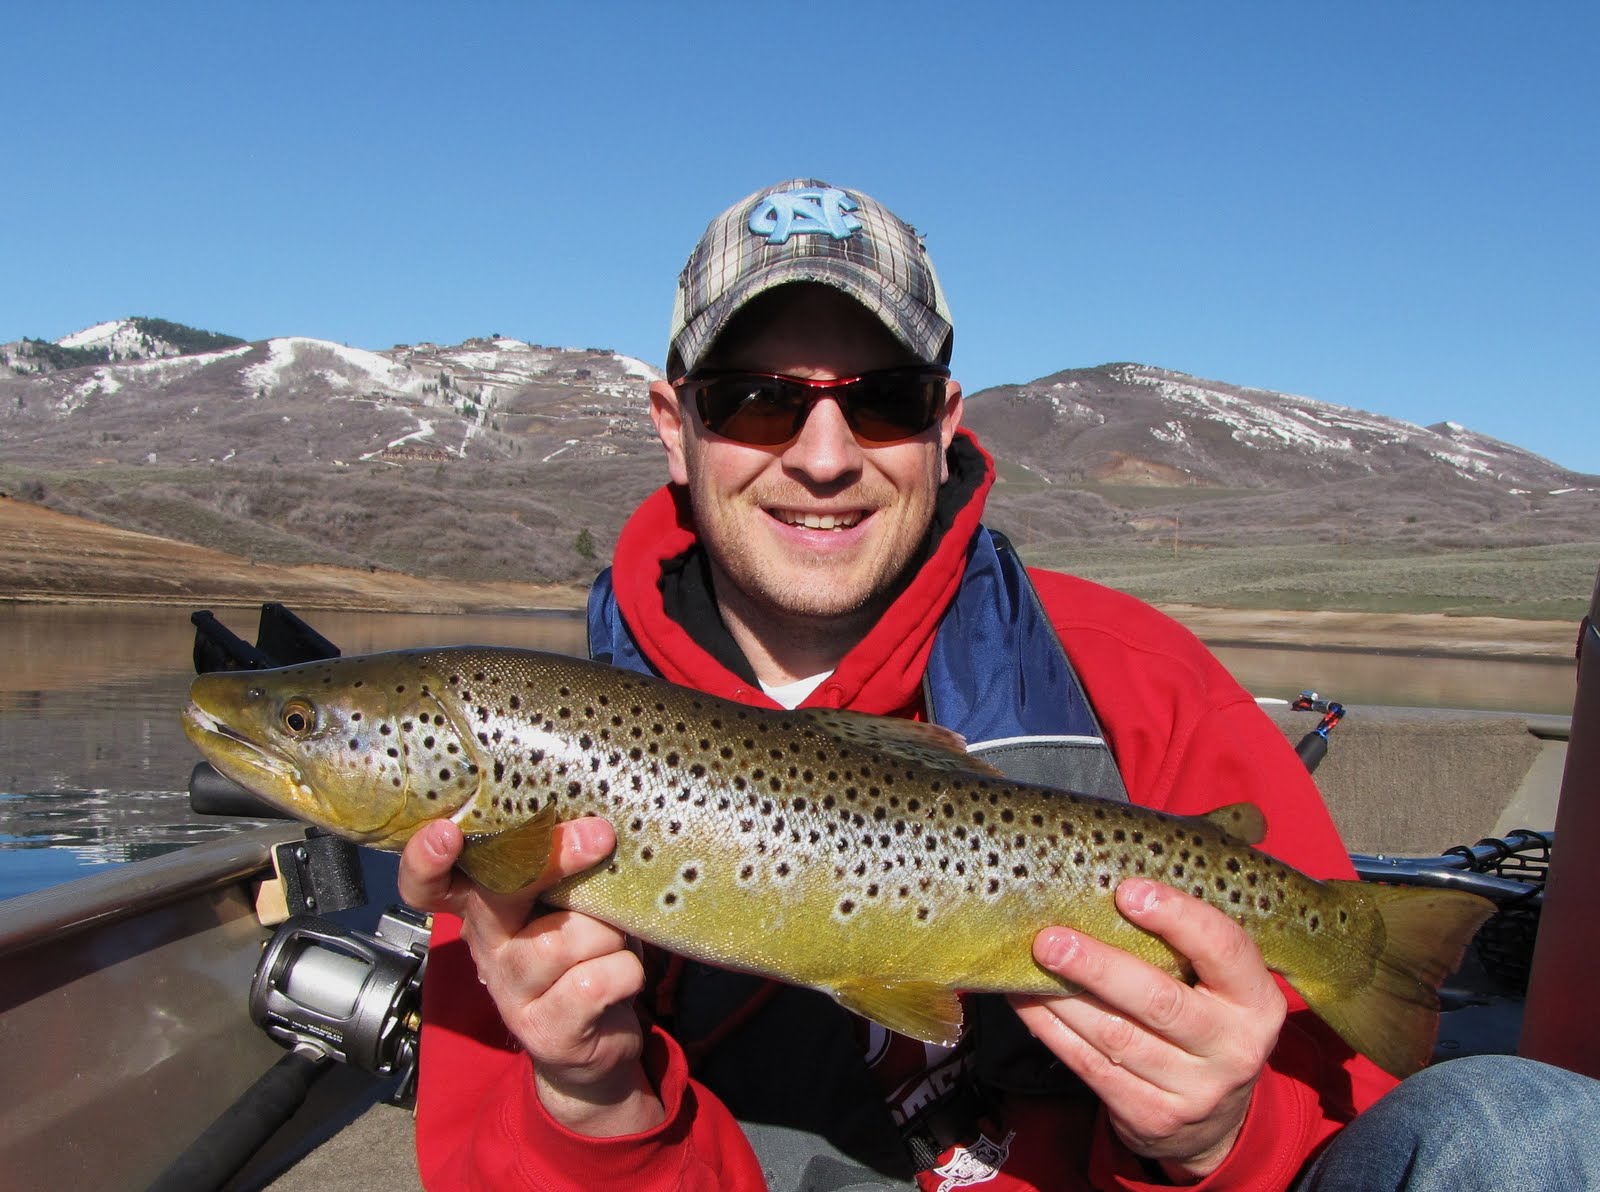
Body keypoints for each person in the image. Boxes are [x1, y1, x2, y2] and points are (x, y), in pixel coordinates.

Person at [397, 180, 1600, 1191]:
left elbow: (1355, 1116)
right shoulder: (539, 766)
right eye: (758, 401)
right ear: (674, 424)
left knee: (1529, 1131)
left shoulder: (1136, 678)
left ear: (944, 420)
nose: (824, 456)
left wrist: (1216, 1136)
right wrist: (593, 1102)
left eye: (882, 398)